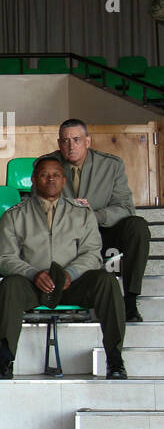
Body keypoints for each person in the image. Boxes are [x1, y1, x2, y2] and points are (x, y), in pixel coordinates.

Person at [0, 157, 126, 380]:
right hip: (33, 285)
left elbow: (92, 254)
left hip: (73, 283)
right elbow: (6, 258)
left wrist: (70, 273)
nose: (50, 178)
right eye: (44, 174)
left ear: (64, 180)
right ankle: (3, 362)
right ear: (34, 180)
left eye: (55, 174)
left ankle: (115, 359)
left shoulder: (82, 214)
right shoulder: (15, 215)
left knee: (107, 281)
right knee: (10, 285)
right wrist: (32, 273)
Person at [42, 118, 150, 321]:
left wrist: (95, 215)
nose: (71, 146)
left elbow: (125, 208)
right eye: (65, 141)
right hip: (65, 237)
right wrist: (69, 212)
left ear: (88, 142)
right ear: (59, 143)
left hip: (102, 231)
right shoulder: (46, 165)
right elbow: (37, 207)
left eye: (76, 140)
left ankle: (130, 301)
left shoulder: (111, 165)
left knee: (138, 227)